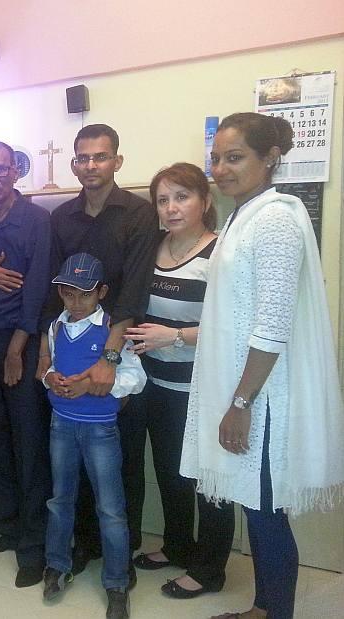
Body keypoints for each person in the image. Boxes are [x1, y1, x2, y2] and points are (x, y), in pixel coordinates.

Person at [180, 113, 344, 619]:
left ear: (269, 158)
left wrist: (241, 404)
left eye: (235, 158)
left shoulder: (274, 219)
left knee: (267, 513)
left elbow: (271, 327)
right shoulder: (241, 214)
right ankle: (263, 609)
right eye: (216, 158)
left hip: (263, 397)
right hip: (246, 391)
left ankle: (276, 614)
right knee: (258, 509)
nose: (221, 169)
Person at [38, 123, 160, 578]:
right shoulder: (62, 217)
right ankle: (85, 546)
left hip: (117, 342)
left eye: (101, 157)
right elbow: (56, 292)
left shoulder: (139, 213)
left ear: (117, 161)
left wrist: (109, 358)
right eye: (83, 158)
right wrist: (45, 356)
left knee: (120, 464)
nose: (91, 166)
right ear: (74, 163)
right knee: (71, 471)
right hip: (69, 343)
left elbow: (134, 288)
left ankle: (120, 558)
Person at [123, 163, 235, 598]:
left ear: (205, 201)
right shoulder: (153, 247)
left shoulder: (220, 253)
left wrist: (174, 335)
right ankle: (176, 545)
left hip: (199, 389)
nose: (171, 208)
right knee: (170, 472)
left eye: (182, 197)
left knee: (207, 481)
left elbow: (235, 325)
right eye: (163, 200)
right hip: (153, 384)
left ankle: (209, 570)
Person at [42, 253, 146, 619]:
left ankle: (116, 583)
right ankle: (57, 564)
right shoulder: (57, 326)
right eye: (68, 294)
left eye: (84, 295)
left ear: (101, 292)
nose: (76, 302)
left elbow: (135, 377)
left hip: (99, 429)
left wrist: (94, 386)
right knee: (60, 499)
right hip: (61, 425)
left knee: (111, 508)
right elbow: (52, 367)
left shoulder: (112, 333)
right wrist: (49, 378)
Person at [0, 140, 52, 587]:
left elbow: (38, 289)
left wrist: (19, 350)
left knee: (29, 443)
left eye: (0, 169)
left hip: (24, 344)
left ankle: (34, 547)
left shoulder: (37, 220)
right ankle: (10, 527)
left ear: (16, 171)